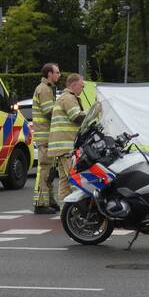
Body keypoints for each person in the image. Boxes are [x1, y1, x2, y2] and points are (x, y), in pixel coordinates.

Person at [46, 73, 89, 205]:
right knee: (75, 178)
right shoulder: (69, 98)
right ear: (74, 85)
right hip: (67, 147)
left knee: (64, 182)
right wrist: (91, 112)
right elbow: (76, 117)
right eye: (81, 86)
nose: (82, 89)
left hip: (61, 147)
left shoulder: (64, 97)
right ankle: (78, 208)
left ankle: (64, 209)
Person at [31, 62, 61, 214]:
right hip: (45, 136)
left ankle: (49, 201)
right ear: (50, 74)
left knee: (49, 171)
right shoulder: (44, 89)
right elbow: (49, 111)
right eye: (57, 72)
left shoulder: (46, 88)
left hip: (47, 136)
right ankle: (41, 204)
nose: (59, 75)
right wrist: (63, 113)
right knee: (44, 171)